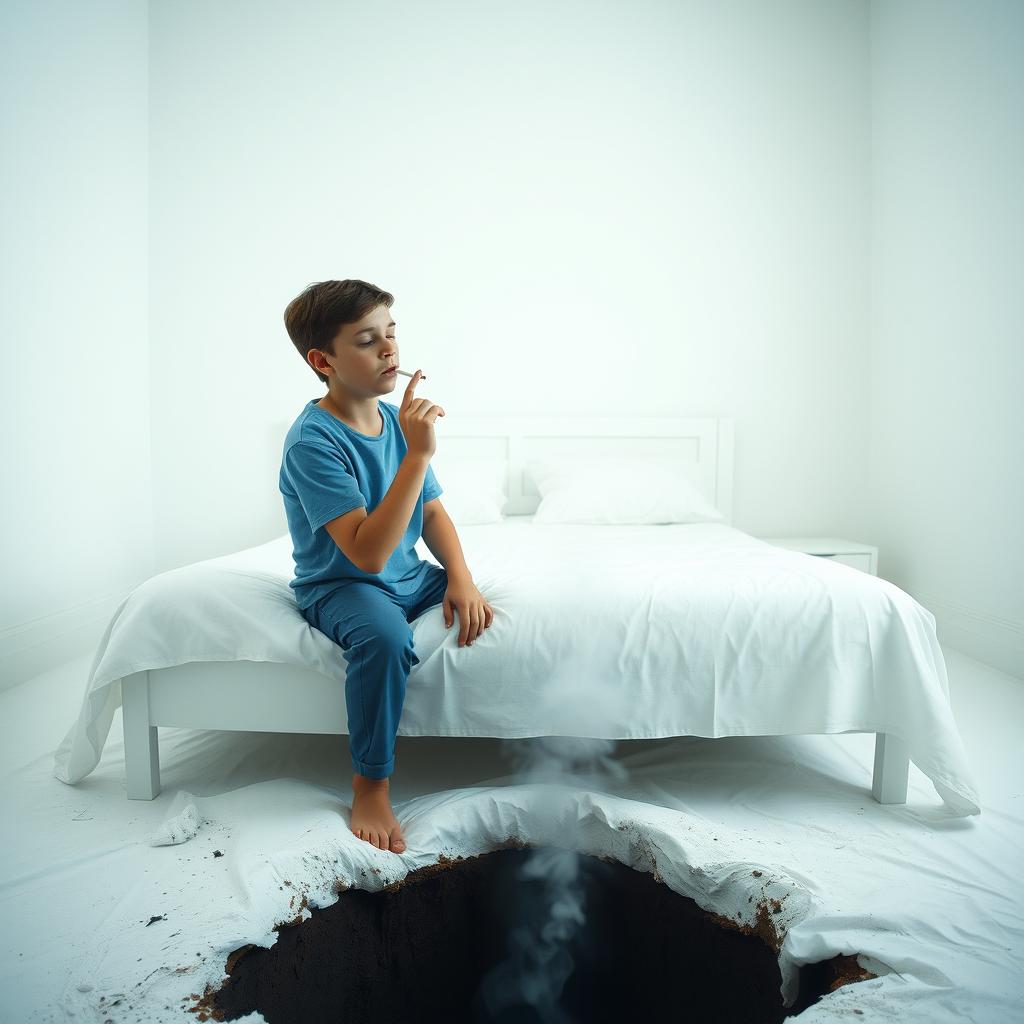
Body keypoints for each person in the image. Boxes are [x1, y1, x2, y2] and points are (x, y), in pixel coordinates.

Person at [280, 279, 494, 854]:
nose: (390, 352)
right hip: (343, 583)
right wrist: (419, 452)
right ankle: (371, 782)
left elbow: (432, 513)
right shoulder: (312, 441)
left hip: (406, 577)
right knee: (385, 637)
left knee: (497, 610)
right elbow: (367, 554)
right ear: (322, 361)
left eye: (392, 335)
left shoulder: (393, 423)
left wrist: (460, 577)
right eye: (369, 341)